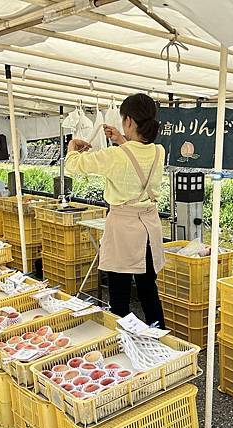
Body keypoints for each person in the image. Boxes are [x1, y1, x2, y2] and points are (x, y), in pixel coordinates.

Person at [65, 93, 166, 327]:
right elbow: (137, 156)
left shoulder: (114, 156)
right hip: (149, 228)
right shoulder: (159, 152)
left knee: (119, 296)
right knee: (148, 290)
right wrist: (122, 139)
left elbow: (73, 165)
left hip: (123, 228)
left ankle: (120, 343)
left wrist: (72, 146)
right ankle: (159, 339)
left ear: (128, 120)